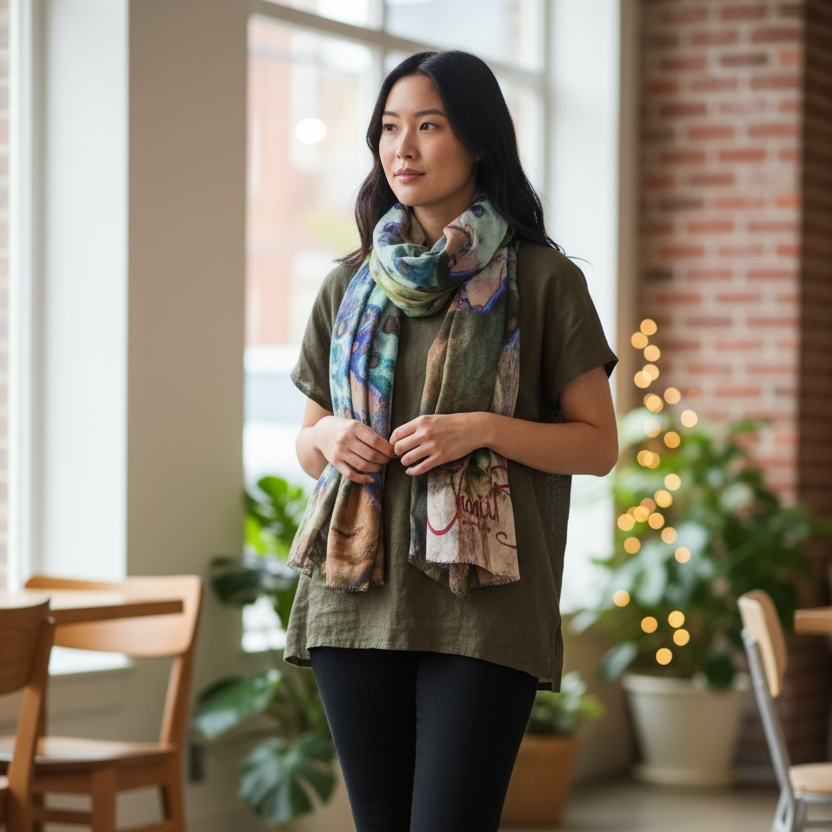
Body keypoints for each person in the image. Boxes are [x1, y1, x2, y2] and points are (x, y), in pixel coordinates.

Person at [284, 49, 618, 832]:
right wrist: (331, 434)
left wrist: (483, 429)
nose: (402, 148)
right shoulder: (350, 285)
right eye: (389, 128)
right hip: (353, 599)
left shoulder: (543, 280)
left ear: (478, 141)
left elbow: (597, 446)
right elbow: (305, 445)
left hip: (484, 610)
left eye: (428, 126)